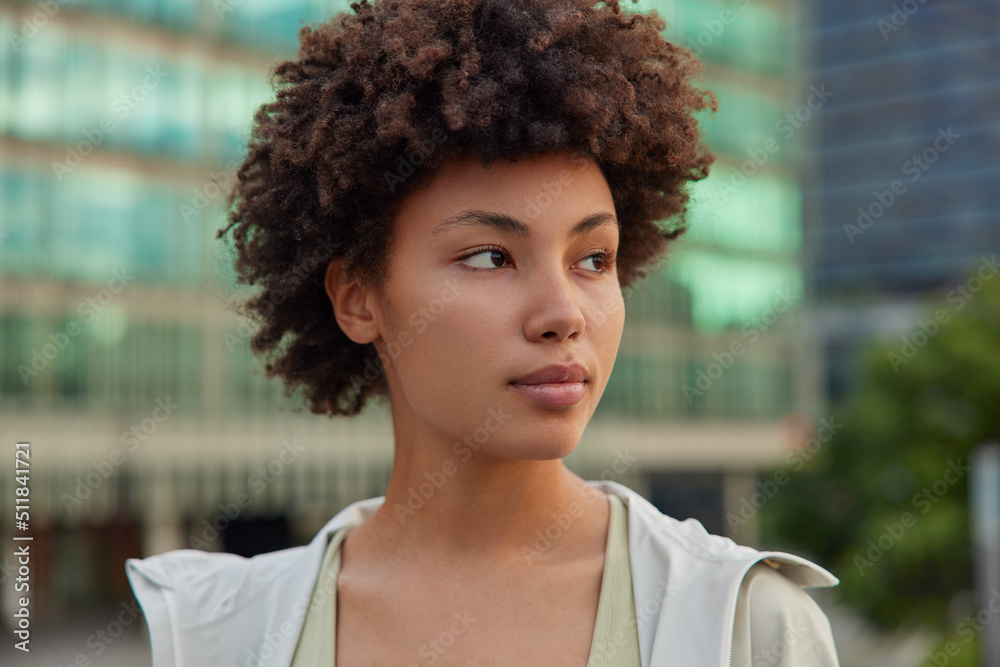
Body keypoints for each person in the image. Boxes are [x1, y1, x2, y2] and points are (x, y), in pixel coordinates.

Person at [125, 0, 841, 665]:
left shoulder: (744, 625)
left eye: (593, 259)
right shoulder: (218, 635)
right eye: (490, 256)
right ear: (358, 297)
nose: (564, 313)